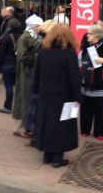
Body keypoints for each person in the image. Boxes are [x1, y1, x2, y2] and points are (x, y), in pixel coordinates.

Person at [33, 24, 81, 168]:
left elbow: (37, 73)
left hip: (46, 95)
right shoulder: (69, 53)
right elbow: (74, 78)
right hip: (64, 97)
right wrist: (78, 97)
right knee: (63, 126)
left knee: (46, 124)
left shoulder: (43, 51)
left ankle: (46, 155)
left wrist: (36, 90)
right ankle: (57, 158)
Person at [79, 24, 103, 140]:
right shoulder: (85, 48)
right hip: (86, 84)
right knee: (85, 109)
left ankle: (100, 132)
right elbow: (78, 61)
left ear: (96, 36)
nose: (87, 36)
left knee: (100, 110)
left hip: (101, 85)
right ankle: (85, 129)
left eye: (89, 34)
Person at [12, 14, 43, 138]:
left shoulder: (33, 37)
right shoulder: (25, 38)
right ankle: (23, 128)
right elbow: (22, 57)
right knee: (24, 99)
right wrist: (37, 56)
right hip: (26, 73)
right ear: (34, 26)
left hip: (29, 72)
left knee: (27, 99)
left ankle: (23, 127)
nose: (40, 28)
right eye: (39, 26)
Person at [0, 18, 22, 113]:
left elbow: (1, 52)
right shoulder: (21, 37)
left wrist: (0, 64)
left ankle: (7, 106)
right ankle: (18, 107)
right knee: (18, 86)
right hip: (17, 64)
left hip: (7, 64)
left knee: (9, 86)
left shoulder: (6, 37)